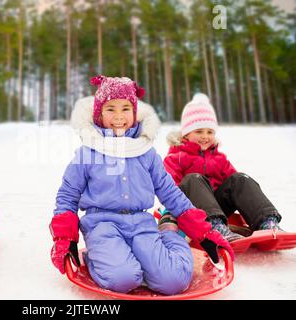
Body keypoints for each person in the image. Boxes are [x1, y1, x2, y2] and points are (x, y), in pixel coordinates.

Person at [49, 76, 234, 295]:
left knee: (173, 282)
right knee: (122, 279)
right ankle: (98, 257)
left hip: (141, 224)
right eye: (110, 109)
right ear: (98, 114)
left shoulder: (145, 152)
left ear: (135, 113)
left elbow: (170, 192)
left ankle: (169, 236)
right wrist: (65, 237)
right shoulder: (88, 153)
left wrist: (203, 233)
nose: (119, 116)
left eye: (126, 108)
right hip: (102, 225)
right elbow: (67, 196)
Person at [163, 93, 282, 242]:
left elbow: (237, 190)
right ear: (186, 134)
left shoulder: (219, 159)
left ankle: (267, 222)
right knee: (193, 179)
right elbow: (167, 188)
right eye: (199, 131)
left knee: (240, 179)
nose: (205, 136)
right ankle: (214, 227)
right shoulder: (176, 158)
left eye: (210, 132)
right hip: (190, 211)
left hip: (219, 210)